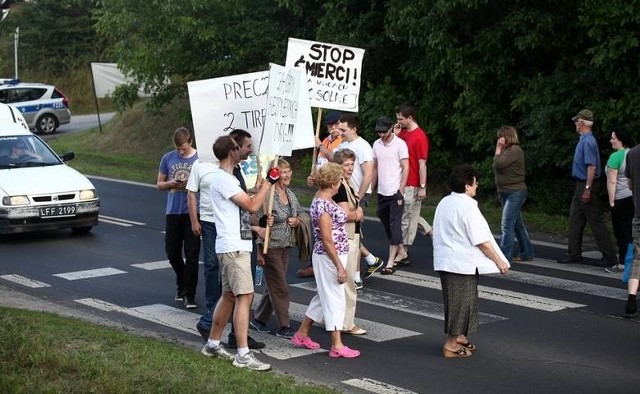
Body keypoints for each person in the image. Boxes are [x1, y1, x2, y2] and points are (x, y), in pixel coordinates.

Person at [200, 135, 277, 371]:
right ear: (231, 152)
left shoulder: (229, 178)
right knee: (245, 297)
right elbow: (252, 206)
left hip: (235, 245)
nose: (242, 151)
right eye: (238, 147)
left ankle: (212, 343)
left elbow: (248, 207)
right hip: (234, 247)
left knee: (230, 296)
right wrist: (269, 183)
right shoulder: (223, 179)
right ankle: (243, 354)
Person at [433, 164, 510, 358]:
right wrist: (499, 261)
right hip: (461, 263)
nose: (477, 186)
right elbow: (481, 241)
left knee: (459, 303)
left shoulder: (444, 202)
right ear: (467, 185)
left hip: (447, 261)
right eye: (475, 183)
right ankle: (450, 346)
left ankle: (459, 337)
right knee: (461, 305)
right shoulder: (467, 206)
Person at [291, 162, 361, 359]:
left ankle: (302, 333)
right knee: (334, 299)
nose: (341, 183)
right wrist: (340, 266)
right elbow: (326, 239)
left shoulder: (323, 199)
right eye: (338, 180)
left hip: (331, 255)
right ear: (332, 182)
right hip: (330, 257)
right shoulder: (323, 205)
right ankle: (337, 344)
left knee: (323, 296)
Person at [250, 158, 302, 339]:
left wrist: (297, 221)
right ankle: (284, 326)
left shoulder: (289, 193)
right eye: (282, 172)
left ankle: (259, 319)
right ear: (274, 174)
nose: (287, 175)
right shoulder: (266, 196)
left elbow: (300, 213)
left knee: (273, 284)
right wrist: (259, 250)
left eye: (288, 171)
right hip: (269, 247)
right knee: (280, 287)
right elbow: (254, 220)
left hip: (285, 246)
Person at [556, 110, 616, 266]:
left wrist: (588, 188)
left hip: (586, 184)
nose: (575, 124)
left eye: (577, 121)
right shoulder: (584, 139)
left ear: (582, 123)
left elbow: (591, 166)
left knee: (595, 221)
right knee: (575, 219)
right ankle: (574, 253)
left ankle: (609, 257)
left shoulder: (588, 141)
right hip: (581, 184)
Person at [335, 113, 381, 287]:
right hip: (343, 193)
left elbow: (368, 174)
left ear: (354, 129)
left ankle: (356, 277)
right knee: (347, 234)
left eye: (343, 129)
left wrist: (358, 199)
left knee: (353, 236)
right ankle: (370, 260)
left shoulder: (362, 146)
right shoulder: (343, 144)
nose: (340, 131)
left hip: (357, 195)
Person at [156, 127, 200, 309]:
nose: (180, 152)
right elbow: (159, 184)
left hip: (194, 211)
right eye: (177, 148)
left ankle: (189, 294)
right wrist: (170, 184)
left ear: (190, 141)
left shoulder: (200, 159)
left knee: (192, 254)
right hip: (173, 211)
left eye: (183, 148)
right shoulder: (168, 158)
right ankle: (181, 282)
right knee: (172, 252)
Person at [332, 149, 367, 335]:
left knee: (342, 282)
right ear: (338, 166)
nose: (351, 168)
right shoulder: (339, 185)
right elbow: (345, 214)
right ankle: (347, 323)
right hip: (346, 237)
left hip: (352, 235)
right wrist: (357, 214)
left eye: (352, 164)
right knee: (349, 282)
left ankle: (333, 318)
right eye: (346, 164)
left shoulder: (349, 182)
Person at [371, 116, 409, 275]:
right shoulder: (376, 144)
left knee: (395, 225)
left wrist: (401, 189)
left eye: (384, 132)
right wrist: (370, 189)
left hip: (395, 191)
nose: (381, 135)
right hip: (382, 190)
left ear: (392, 128)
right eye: (379, 132)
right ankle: (401, 251)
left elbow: (406, 167)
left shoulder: (400, 144)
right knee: (385, 220)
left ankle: (390, 262)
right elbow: (375, 168)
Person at [492, 126, 535, 262]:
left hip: (515, 193)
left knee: (506, 225)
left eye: (501, 136)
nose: (499, 139)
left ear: (508, 136)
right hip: (506, 191)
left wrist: (497, 150)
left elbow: (498, 165)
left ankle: (504, 257)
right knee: (517, 224)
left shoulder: (514, 150)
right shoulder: (507, 151)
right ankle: (527, 252)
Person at [394, 104, 430, 265]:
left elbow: (422, 164)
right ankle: (432, 233)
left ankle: (402, 251)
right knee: (408, 215)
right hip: (401, 181)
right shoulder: (402, 134)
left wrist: (422, 186)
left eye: (401, 119)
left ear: (410, 118)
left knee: (405, 218)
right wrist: (395, 135)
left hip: (412, 183)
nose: (398, 121)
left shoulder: (419, 136)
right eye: (397, 118)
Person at [604, 127, 634, 273]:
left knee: (622, 233)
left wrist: (611, 202)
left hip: (620, 198)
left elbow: (612, 182)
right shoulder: (633, 153)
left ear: (620, 139)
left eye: (613, 138)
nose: (611, 141)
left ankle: (623, 263)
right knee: (634, 231)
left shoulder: (615, 157)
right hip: (634, 197)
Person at [624, 142, 640, 317]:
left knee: (638, 256)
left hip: (639, 214)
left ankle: (631, 298)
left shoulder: (633, 153)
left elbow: (629, 185)